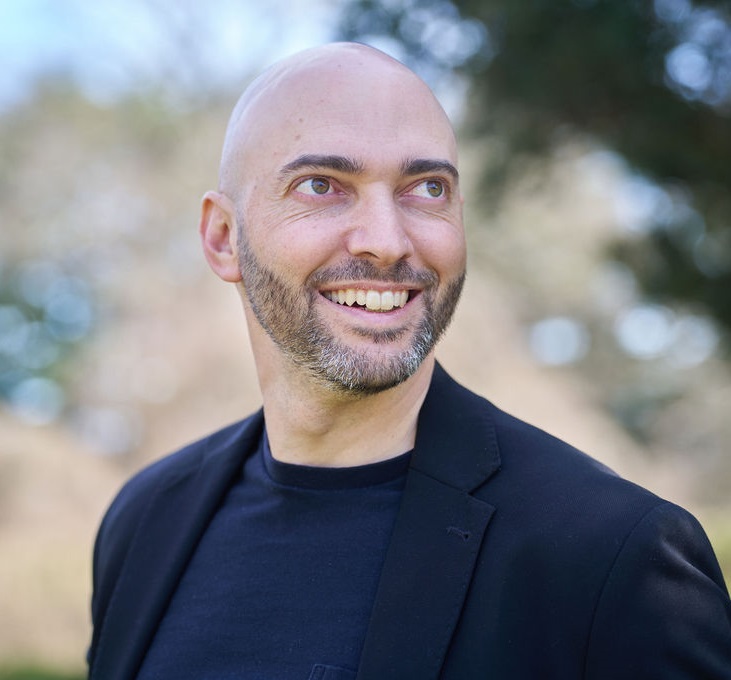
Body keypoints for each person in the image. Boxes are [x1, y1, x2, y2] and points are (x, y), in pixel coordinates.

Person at [87, 42, 731, 680]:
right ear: (224, 238)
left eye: (426, 188)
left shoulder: (617, 557)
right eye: (321, 185)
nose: (388, 242)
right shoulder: (143, 522)